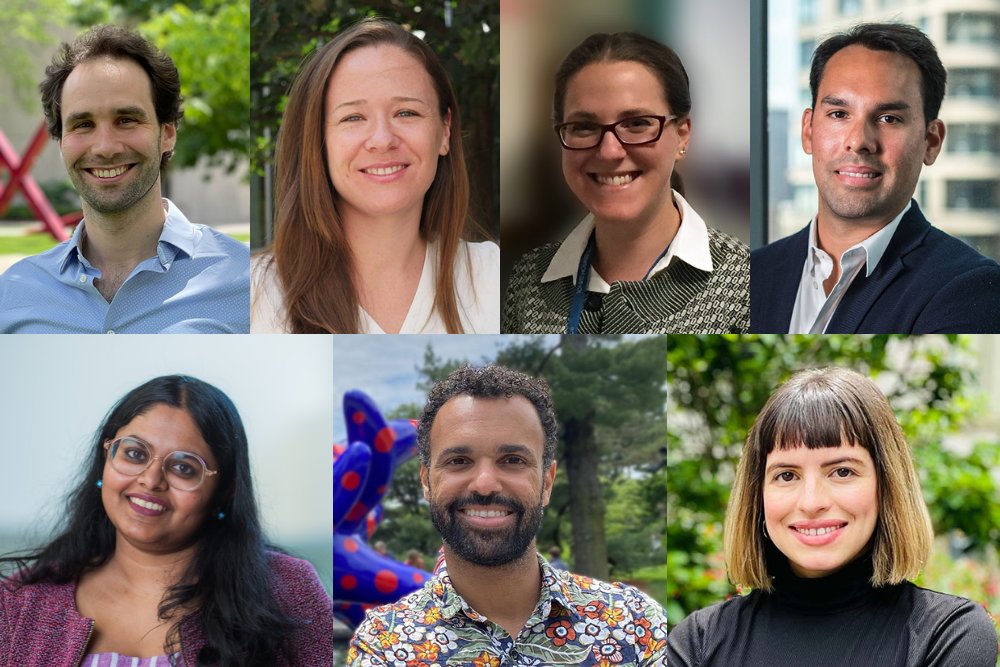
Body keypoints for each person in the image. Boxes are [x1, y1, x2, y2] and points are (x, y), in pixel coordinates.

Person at [667, 367, 999, 667]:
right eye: (786, 475)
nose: (812, 502)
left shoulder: (948, 635)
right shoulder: (698, 642)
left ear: (887, 485)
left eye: (842, 471)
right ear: (757, 495)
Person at [0, 375, 333, 665]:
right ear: (106, 458)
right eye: (134, 453)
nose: (151, 479)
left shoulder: (290, 589)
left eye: (184, 468)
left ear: (224, 490)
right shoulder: (19, 603)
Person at [348, 364, 667, 666]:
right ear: (426, 482)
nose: (485, 484)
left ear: (547, 482)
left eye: (513, 460)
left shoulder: (634, 623)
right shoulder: (384, 642)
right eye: (459, 460)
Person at [251, 18, 500, 333]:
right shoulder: (256, 294)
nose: (382, 139)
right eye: (353, 117)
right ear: (317, 141)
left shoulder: (496, 278)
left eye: (406, 113)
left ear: (445, 131)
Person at [751, 23, 1000, 333]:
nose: (859, 141)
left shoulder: (972, 290)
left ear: (931, 142)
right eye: (839, 114)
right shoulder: (748, 274)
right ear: (808, 130)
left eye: (889, 118)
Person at [0, 25, 250, 334]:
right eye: (83, 124)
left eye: (126, 120)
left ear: (167, 134)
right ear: (61, 141)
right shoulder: (12, 294)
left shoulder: (243, 280)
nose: (105, 147)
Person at [503, 32, 749, 334]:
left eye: (636, 124)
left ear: (683, 135)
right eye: (584, 127)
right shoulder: (527, 280)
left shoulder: (746, 284)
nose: (609, 151)